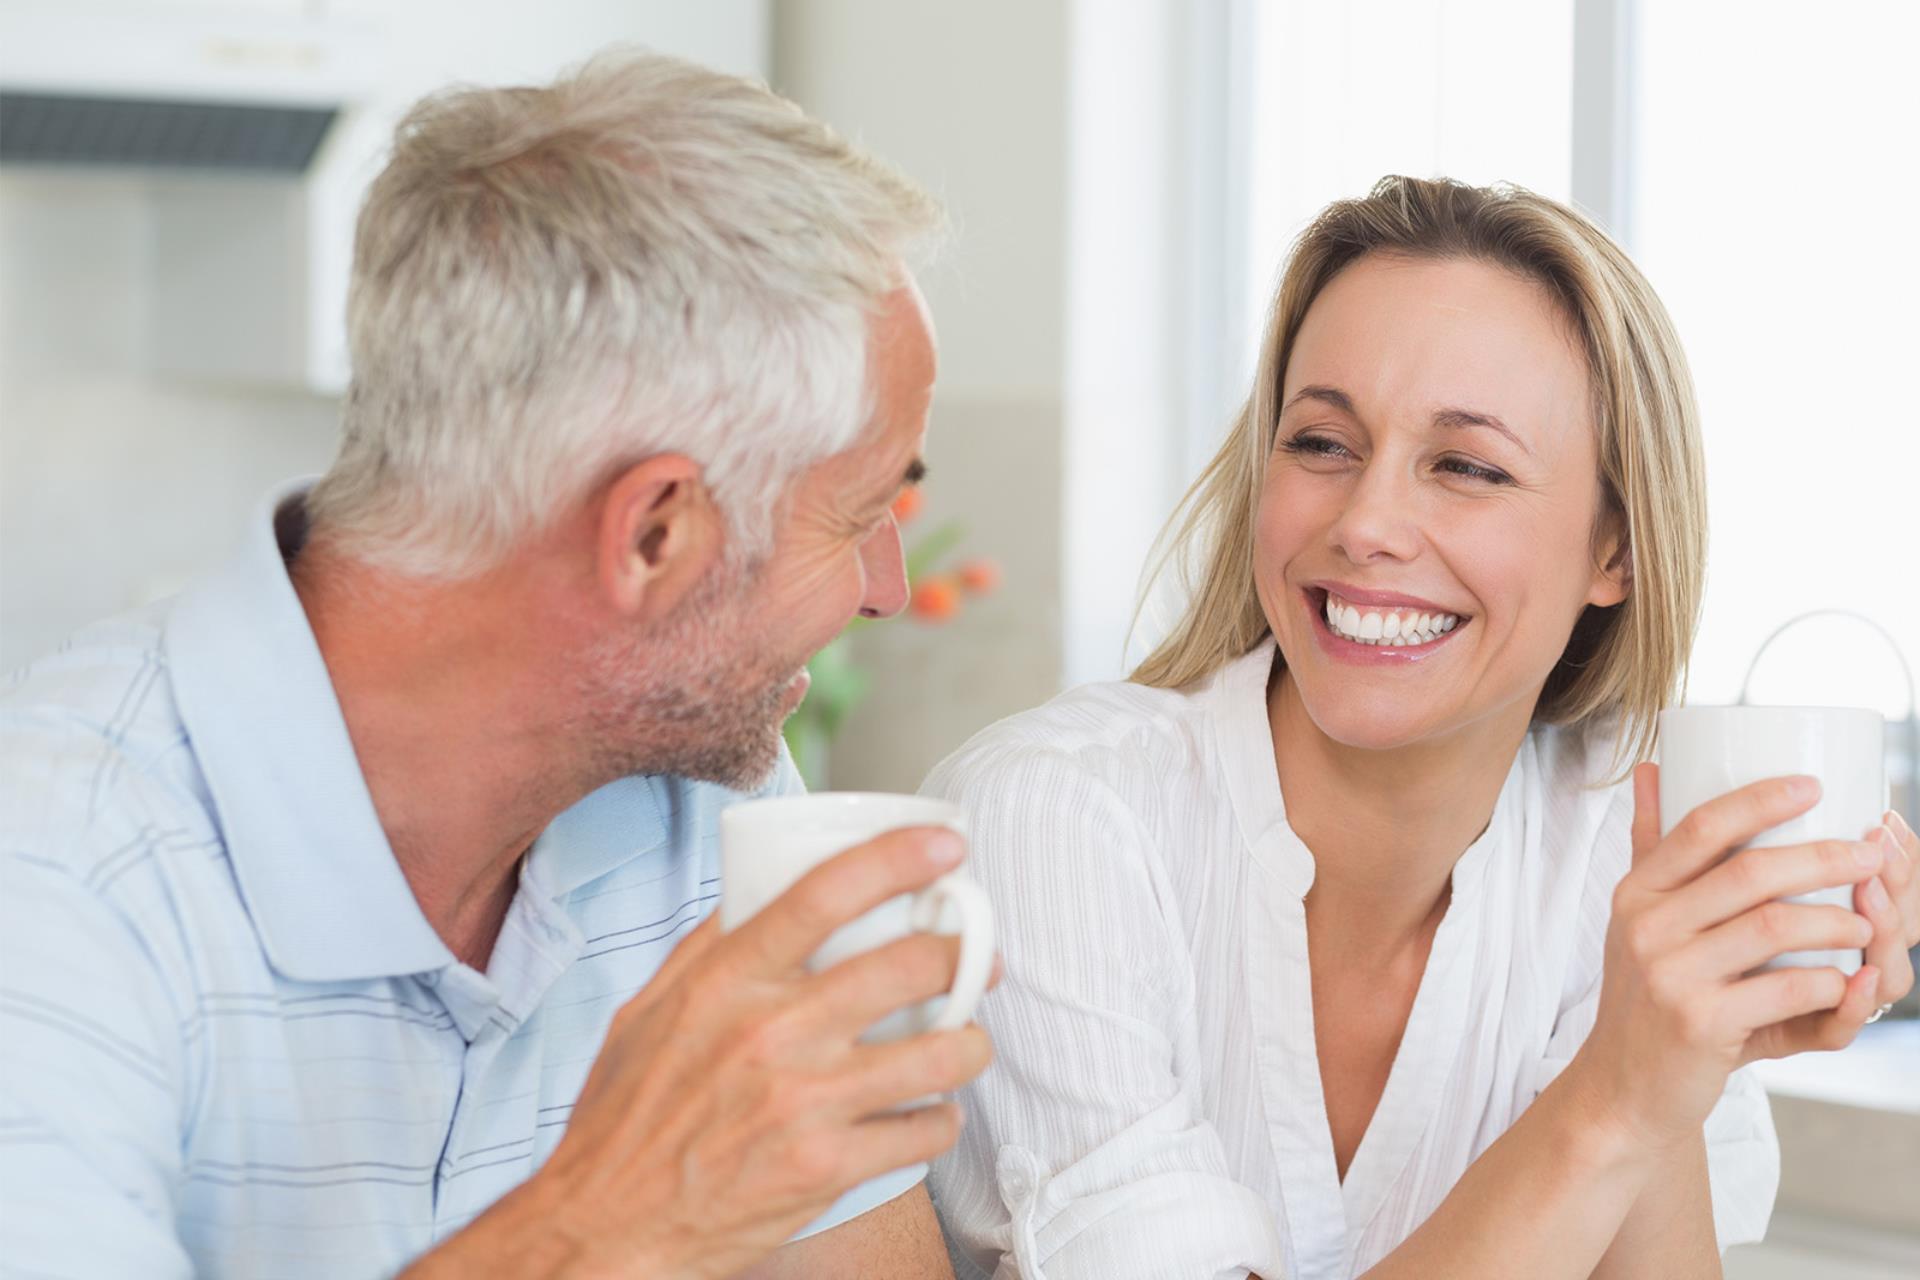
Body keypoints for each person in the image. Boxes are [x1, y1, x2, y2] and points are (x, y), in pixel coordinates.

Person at [0, 51, 993, 1279]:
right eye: (860, 516)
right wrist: (607, 1220)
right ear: (654, 534)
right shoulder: (59, 866)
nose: (888, 586)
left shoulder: (698, 805)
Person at [922, 176, 1920, 1279]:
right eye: (1320, 443)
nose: (1366, 523)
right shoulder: (1056, 818)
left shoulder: (1617, 849)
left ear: (1617, 551)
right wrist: (1616, 1092)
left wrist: (1687, 1049)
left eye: (1467, 466)